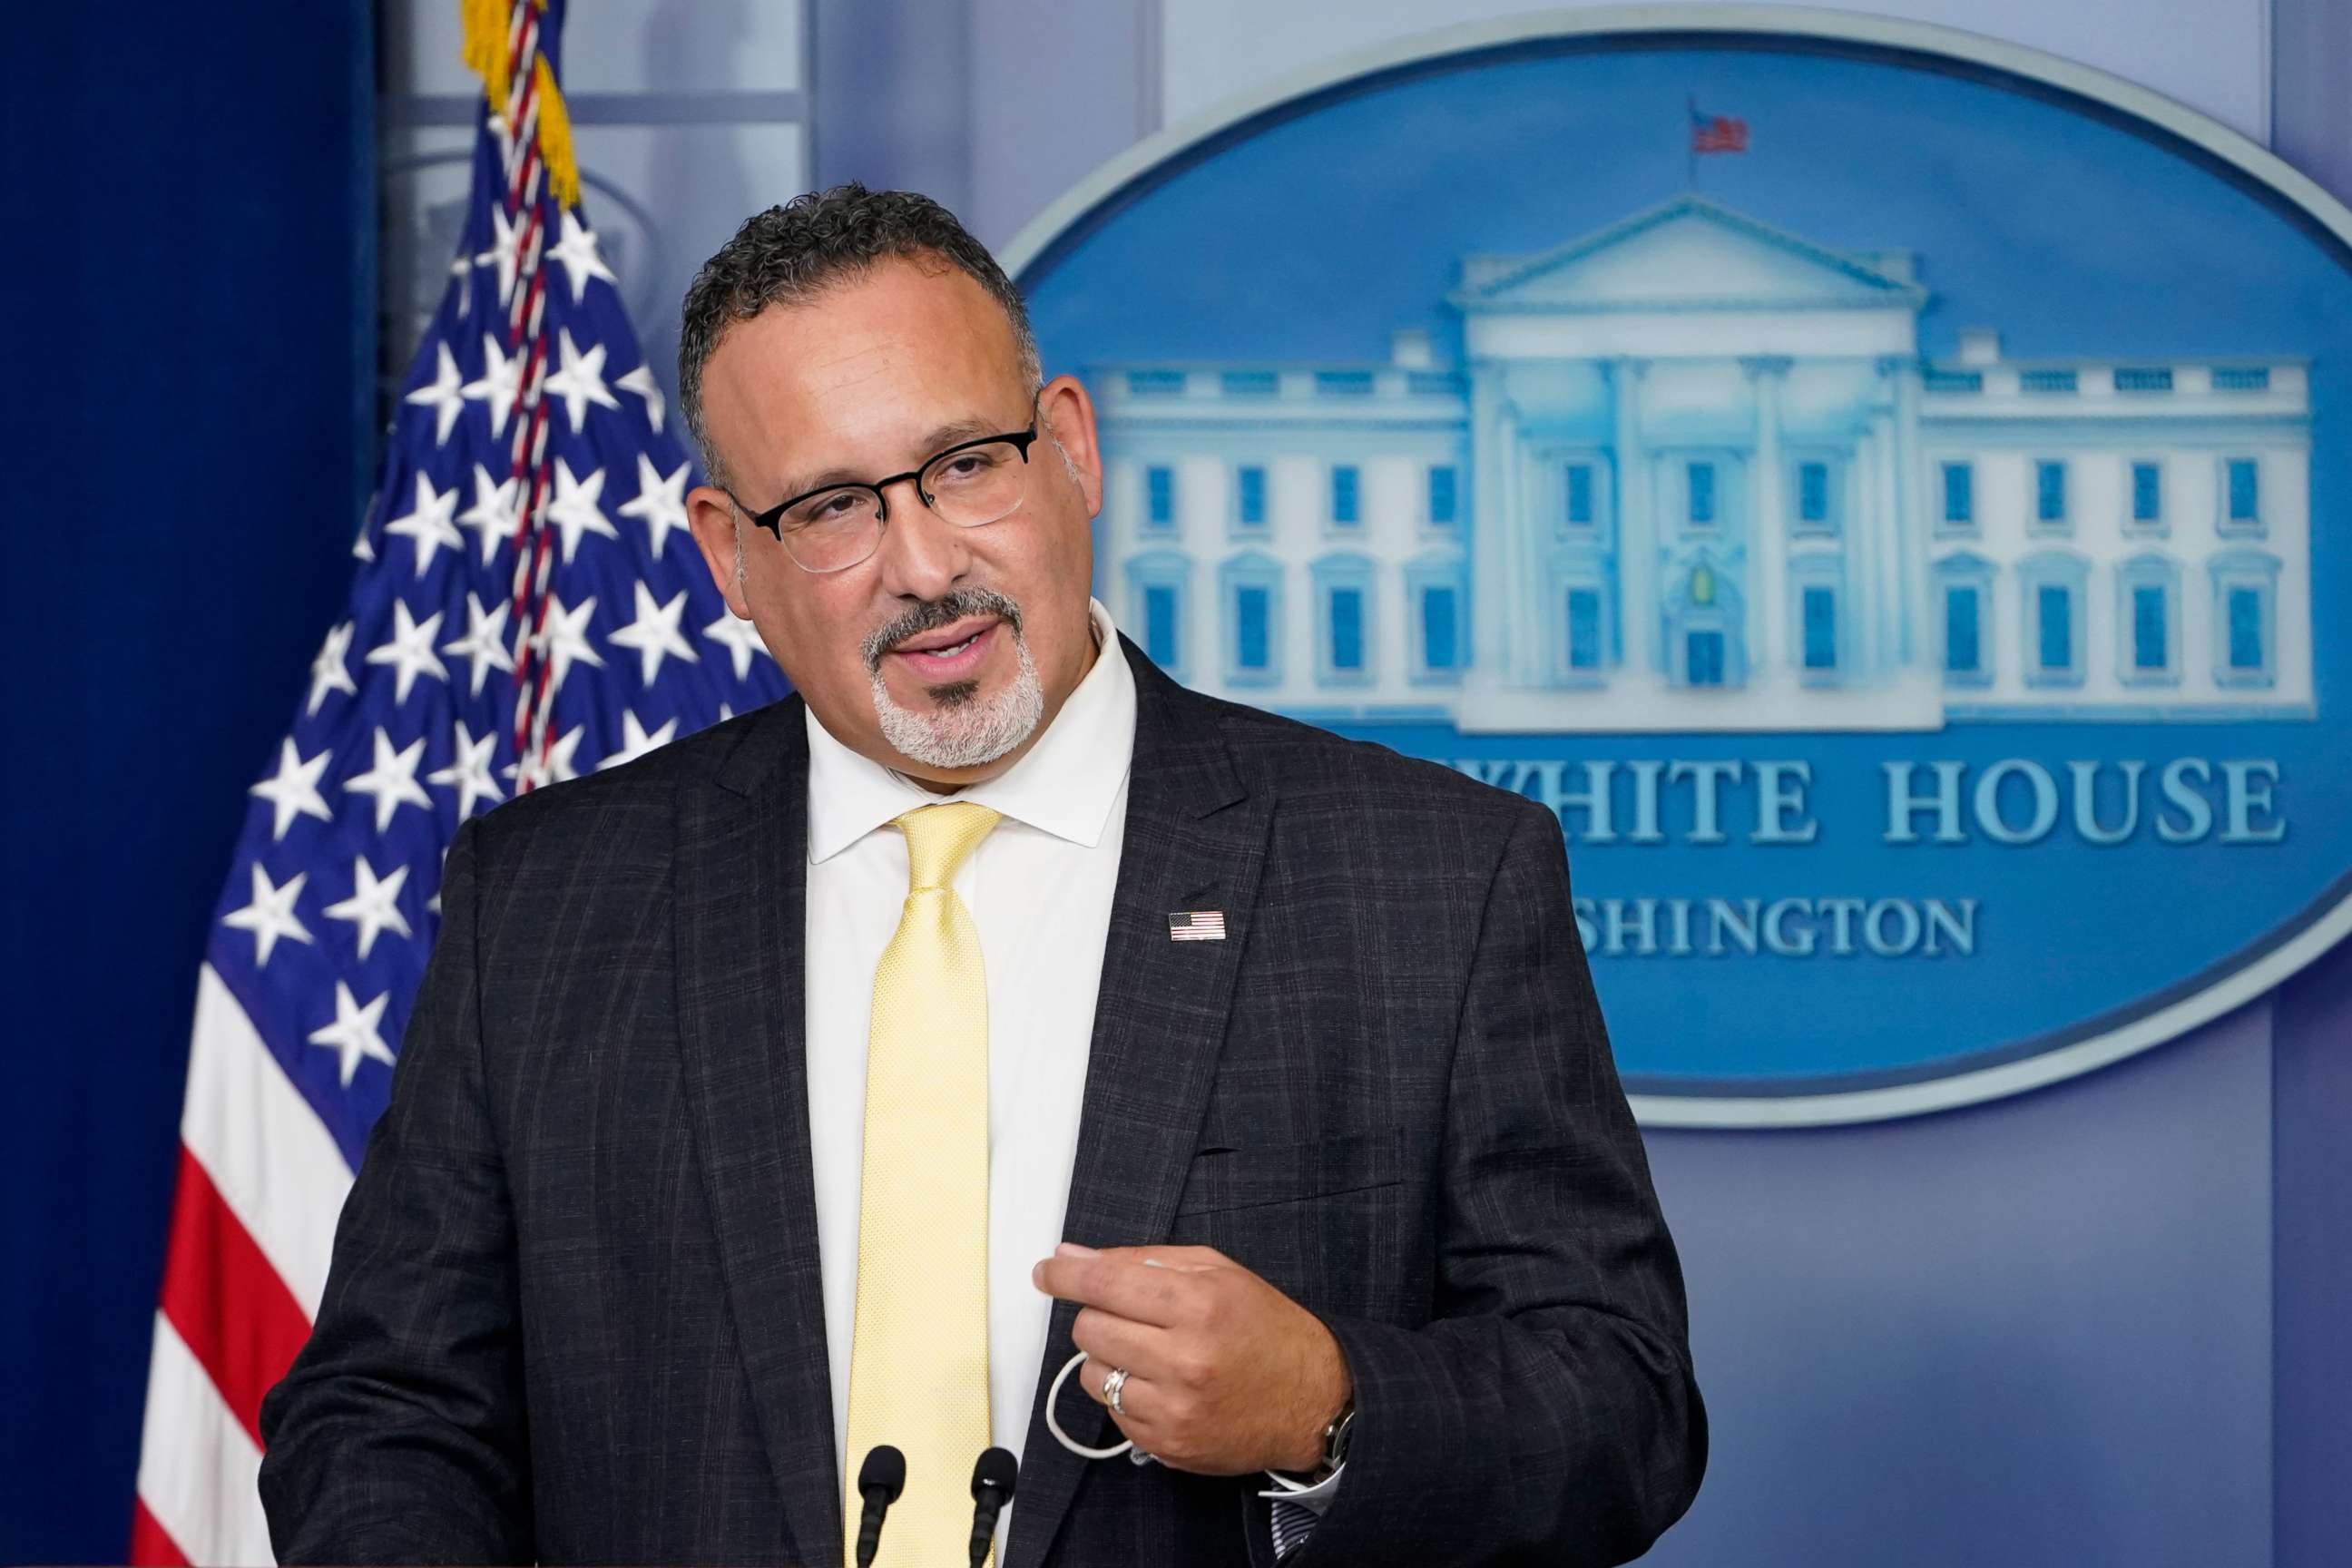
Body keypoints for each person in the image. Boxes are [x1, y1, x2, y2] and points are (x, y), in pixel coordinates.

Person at [259, 184, 1705, 1567]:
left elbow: (1625, 1411)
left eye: (964, 465)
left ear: (1068, 449)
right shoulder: (549, 899)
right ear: (728, 558)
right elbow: (389, 1410)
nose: (922, 561)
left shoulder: (1429, 878)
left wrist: (1329, 1405)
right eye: (829, 507)